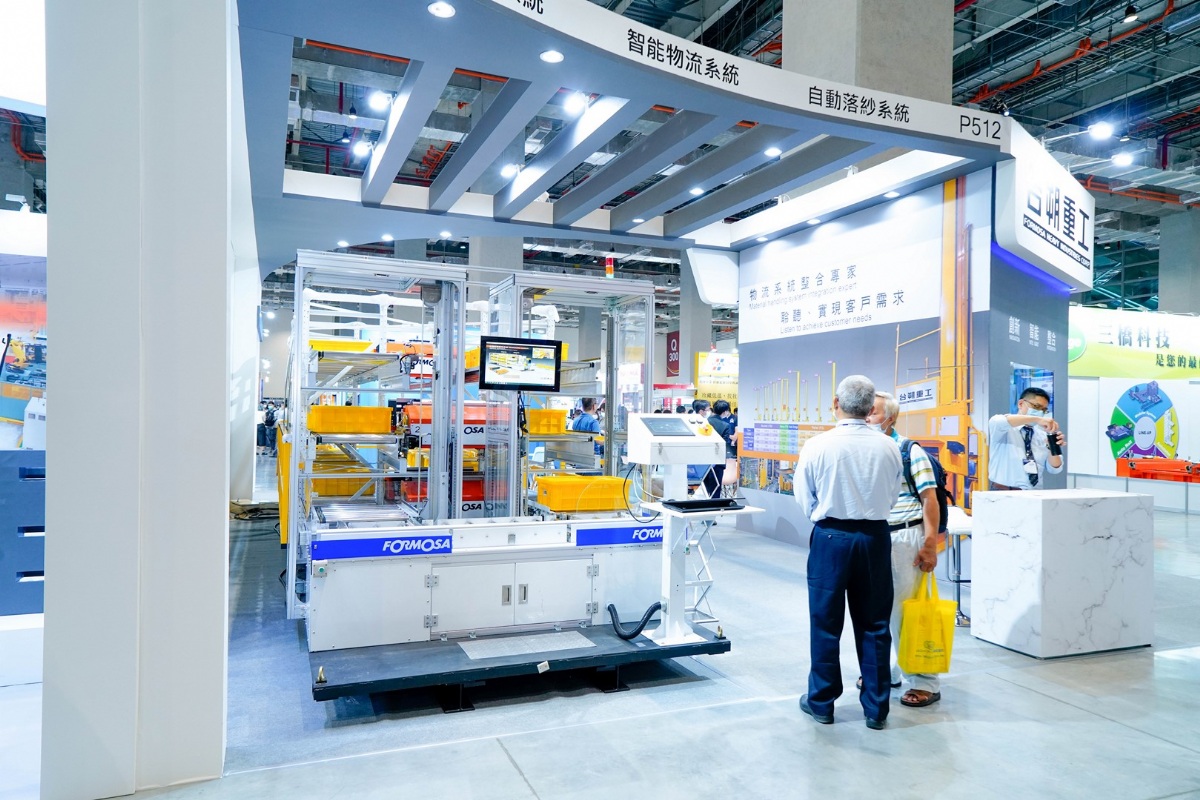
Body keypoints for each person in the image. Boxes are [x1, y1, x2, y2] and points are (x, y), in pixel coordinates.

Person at [794, 375, 902, 730]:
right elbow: (892, 496)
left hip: (830, 537)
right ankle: (876, 708)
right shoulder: (888, 446)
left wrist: (824, 517)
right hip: (874, 537)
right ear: (871, 408)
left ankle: (822, 702)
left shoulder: (817, 445)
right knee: (875, 624)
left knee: (825, 622)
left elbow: (804, 496)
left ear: (835, 404)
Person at [866, 391, 941, 709]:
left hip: (904, 538)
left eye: (873, 412)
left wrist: (929, 545)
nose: (867, 417)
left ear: (890, 418)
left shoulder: (910, 451)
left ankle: (924, 680)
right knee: (876, 611)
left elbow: (929, 499)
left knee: (907, 611)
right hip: (873, 538)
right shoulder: (866, 450)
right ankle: (887, 671)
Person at [987, 387, 1065, 490]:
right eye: (1036, 406)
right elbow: (998, 421)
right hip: (1004, 491)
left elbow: (1055, 468)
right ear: (1020, 404)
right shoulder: (1004, 429)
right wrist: (1037, 419)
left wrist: (1052, 448)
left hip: (1033, 492)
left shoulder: (1042, 435)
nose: (1040, 412)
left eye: (1043, 410)